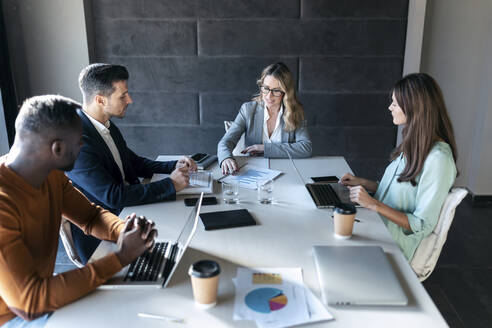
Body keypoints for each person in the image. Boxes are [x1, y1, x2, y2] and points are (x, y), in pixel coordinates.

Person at [0, 95, 157, 327]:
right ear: (58, 147)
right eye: (80, 140)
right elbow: (29, 303)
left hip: (36, 296)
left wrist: (125, 230)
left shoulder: (51, 174)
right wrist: (121, 257)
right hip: (15, 316)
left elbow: (90, 216)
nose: (83, 146)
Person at [66, 63, 197, 263]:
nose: (130, 100)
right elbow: (113, 196)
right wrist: (170, 184)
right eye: (122, 96)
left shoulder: (105, 124)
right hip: (104, 236)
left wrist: (173, 165)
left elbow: (134, 163)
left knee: (191, 231)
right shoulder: (77, 142)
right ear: (100, 100)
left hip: (131, 213)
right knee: (185, 250)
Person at [340, 73, 458, 261]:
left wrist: (373, 204)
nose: (390, 107)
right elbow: (398, 193)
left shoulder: (439, 160)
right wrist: (362, 182)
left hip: (391, 245)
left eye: (395, 103)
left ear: (414, 107)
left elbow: (421, 224)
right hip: (376, 225)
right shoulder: (416, 145)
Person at [217, 62, 312, 174]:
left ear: (286, 92)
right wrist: (226, 158)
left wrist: (265, 148)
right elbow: (226, 142)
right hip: (252, 171)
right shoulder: (248, 110)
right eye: (266, 88)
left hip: (287, 171)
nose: (268, 96)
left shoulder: (296, 111)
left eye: (276, 90)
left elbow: (305, 148)